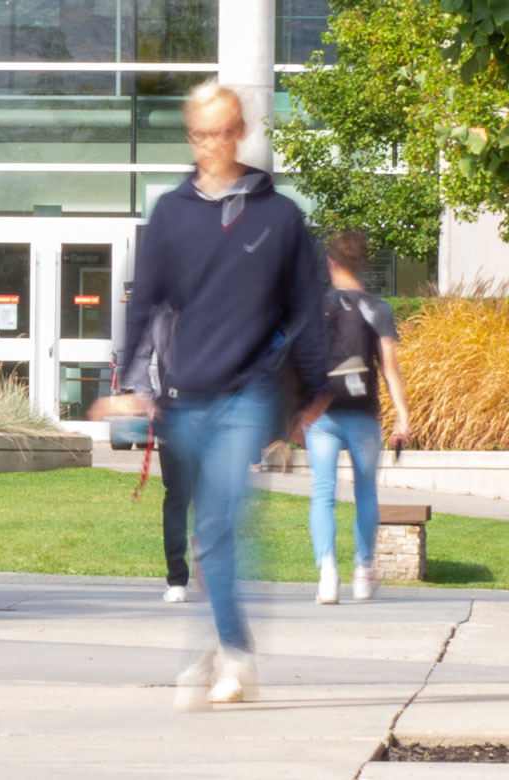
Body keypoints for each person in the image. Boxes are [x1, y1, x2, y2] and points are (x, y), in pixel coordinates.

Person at [93, 79, 329, 708]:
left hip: (247, 392)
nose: (211, 145)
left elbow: (308, 306)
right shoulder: (171, 212)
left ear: (241, 131)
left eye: (223, 131)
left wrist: (316, 394)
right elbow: (144, 300)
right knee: (207, 529)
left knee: (221, 522)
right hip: (184, 395)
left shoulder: (280, 217)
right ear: (191, 136)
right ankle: (224, 640)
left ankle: (235, 653)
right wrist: (127, 385)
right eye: (200, 134)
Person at [308, 230, 410, 605]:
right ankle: (363, 572)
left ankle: (327, 574)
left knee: (323, 494)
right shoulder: (378, 308)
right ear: (364, 264)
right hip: (364, 413)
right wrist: (403, 415)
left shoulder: (317, 306)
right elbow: (389, 367)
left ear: (331, 262)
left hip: (324, 414)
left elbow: (306, 362)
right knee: (366, 492)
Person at [127, 306, 193, 604]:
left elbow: (139, 357)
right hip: (202, 407)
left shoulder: (161, 308)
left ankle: (178, 579)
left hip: (174, 408)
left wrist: (150, 401)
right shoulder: (210, 293)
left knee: (178, 496)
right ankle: (183, 573)